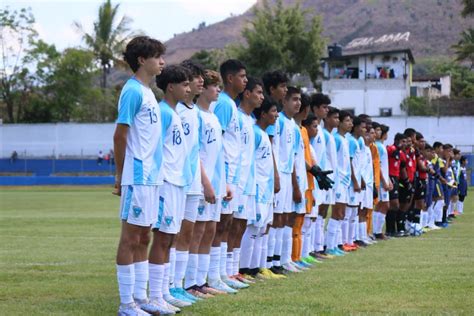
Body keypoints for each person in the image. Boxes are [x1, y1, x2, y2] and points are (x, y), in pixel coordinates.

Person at [112, 36, 166, 316]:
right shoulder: (132, 91)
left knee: (144, 237)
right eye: (157, 56)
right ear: (142, 60)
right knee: (130, 239)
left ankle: (141, 298)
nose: (162, 62)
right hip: (137, 175)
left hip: (151, 177)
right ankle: (126, 304)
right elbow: (120, 135)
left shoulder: (149, 93)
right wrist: (121, 176)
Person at [148, 64, 193, 315]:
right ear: (171, 87)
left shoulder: (176, 113)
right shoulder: (163, 112)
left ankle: (163, 292)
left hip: (178, 184)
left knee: (171, 238)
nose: (188, 89)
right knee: (162, 237)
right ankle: (154, 296)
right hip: (165, 183)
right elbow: (154, 149)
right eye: (184, 85)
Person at [189, 70, 236, 295]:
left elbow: (219, 154)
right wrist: (205, 182)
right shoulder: (195, 115)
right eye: (214, 86)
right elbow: (195, 152)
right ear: (203, 88)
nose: (218, 90)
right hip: (201, 183)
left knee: (209, 230)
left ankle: (202, 281)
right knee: (196, 232)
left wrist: (223, 183)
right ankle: (189, 283)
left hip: (216, 183)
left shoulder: (214, 117)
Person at [171, 60, 209, 304]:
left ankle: (179, 285)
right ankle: (169, 286)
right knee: (173, 234)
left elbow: (196, 151)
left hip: (194, 181)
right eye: (195, 77)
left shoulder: (195, 111)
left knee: (188, 234)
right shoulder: (177, 112)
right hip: (178, 181)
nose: (200, 81)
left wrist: (204, 181)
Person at [210, 59, 248, 289]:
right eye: (242, 76)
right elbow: (217, 142)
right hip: (223, 174)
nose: (245, 80)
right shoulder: (224, 104)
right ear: (230, 78)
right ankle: (213, 277)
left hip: (232, 174)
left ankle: (222, 274)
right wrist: (222, 177)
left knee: (226, 224)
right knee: (221, 224)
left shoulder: (230, 104)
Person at [239, 97, 279, 279]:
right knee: (253, 227)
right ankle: (245, 269)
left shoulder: (264, 134)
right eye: (273, 111)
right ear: (263, 114)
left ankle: (259, 267)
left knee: (263, 227)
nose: (276, 115)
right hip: (256, 186)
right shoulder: (254, 132)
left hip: (267, 187)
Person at [228, 77, 263, 283]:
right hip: (237, 181)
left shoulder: (251, 121)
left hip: (249, 183)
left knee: (240, 226)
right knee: (231, 227)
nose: (261, 97)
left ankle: (234, 271)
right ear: (247, 93)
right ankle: (226, 273)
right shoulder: (238, 117)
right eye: (258, 92)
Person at [326, 110, 353, 256]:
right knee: (337, 212)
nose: (350, 124)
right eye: (347, 121)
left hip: (345, 181)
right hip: (338, 181)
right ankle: (330, 245)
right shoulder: (335, 138)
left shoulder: (345, 139)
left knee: (341, 213)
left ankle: (336, 244)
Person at [344, 116, 366, 250]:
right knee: (348, 213)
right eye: (362, 127)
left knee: (354, 213)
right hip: (351, 183)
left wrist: (361, 179)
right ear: (356, 128)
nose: (364, 130)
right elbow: (350, 163)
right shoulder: (351, 141)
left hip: (357, 181)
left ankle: (350, 240)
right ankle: (343, 242)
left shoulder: (358, 141)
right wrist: (355, 181)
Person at [373, 124, 393, 240]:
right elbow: (378, 166)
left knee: (382, 205)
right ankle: (377, 232)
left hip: (384, 179)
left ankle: (377, 231)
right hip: (381, 181)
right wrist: (384, 181)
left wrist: (388, 179)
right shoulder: (379, 147)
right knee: (384, 205)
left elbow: (384, 166)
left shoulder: (381, 146)